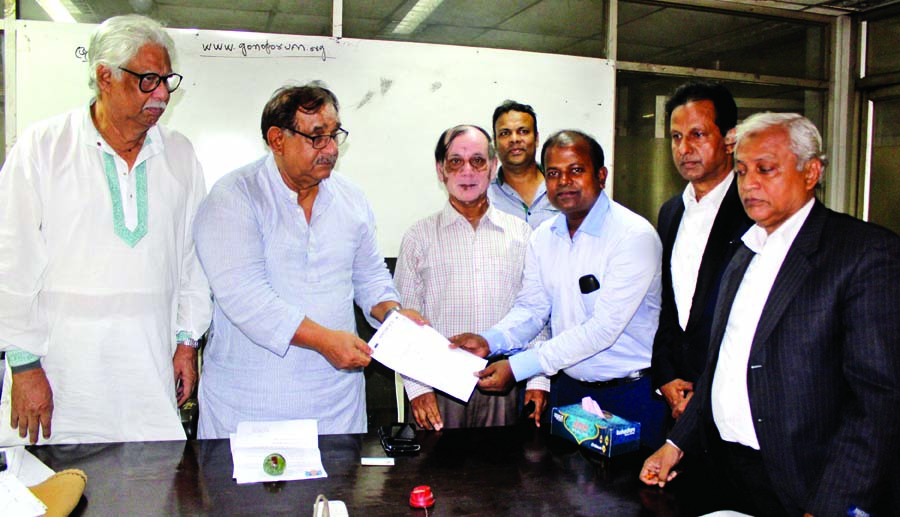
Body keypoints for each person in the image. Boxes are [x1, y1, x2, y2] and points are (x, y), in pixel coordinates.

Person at [640, 113, 900, 517]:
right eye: (742, 171)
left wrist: (832, 504)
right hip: (722, 471)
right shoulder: (746, 251)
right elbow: (721, 367)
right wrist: (677, 444)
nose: (750, 184)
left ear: (811, 172)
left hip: (803, 484)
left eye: (766, 169)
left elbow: (878, 402)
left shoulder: (862, 254)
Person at [0, 15, 211, 445]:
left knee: (152, 500)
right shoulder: (43, 148)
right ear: (105, 76)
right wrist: (23, 366)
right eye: (149, 80)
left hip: (149, 386)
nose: (163, 94)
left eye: (167, 80)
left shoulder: (180, 155)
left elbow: (193, 260)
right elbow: (11, 261)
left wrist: (186, 343)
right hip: (60, 387)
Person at [194, 84, 424, 437]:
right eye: (317, 137)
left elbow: (370, 275)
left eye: (335, 135)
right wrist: (325, 341)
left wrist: (392, 314)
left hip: (335, 405)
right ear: (277, 139)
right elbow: (247, 300)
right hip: (251, 405)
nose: (331, 149)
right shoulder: (234, 196)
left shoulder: (350, 198)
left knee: (338, 492)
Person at [452, 130, 667, 449]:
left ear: (601, 175)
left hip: (630, 395)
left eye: (576, 170)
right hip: (569, 394)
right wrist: (488, 341)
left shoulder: (633, 236)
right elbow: (532, 309)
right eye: (553, 173)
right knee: (564, 493)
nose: (564, 180)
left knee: (632, 497)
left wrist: (518, 367)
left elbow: (601, 330)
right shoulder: (542, 237)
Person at [395, 125, 549, 431]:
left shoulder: (522, 234)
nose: (467, 171)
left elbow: (536, 314)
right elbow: (404, 323)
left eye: (478, 161)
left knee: (501, 475)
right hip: (437, 388)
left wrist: (538, 379)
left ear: (493, 167)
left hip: (503, 381)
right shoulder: (418, 236)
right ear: (441, 170)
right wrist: (418, 389)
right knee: (434, 476)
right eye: (455, 162)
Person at [652, 82, 752, 420]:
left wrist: (707, 387)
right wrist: (665, 373)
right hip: (676, 392)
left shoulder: (754, 212)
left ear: (730, 139)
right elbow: (666, 302)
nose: (684, 148)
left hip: (733, 393)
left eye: (698, 135)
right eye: (677, 137)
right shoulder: (670, 212)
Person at [487, 100, 558, 227]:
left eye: (523, 131)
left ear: (536, 139)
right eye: (505, 133)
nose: (514, 139)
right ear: (495, 142)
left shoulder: (561, 186)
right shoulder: (483, 196)